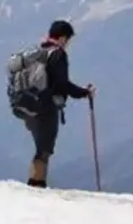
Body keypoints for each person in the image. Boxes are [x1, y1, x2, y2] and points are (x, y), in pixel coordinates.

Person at [23, 19, 94, 188]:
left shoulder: (40, 51)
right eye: (68, 39)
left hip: (29, 105)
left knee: (40, 146)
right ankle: (36, 184)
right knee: (45, 149)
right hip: (46, 106)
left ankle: (36, 182)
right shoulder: (58, 54)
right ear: (63, 38)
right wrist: (84, 92)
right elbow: (62, 83)